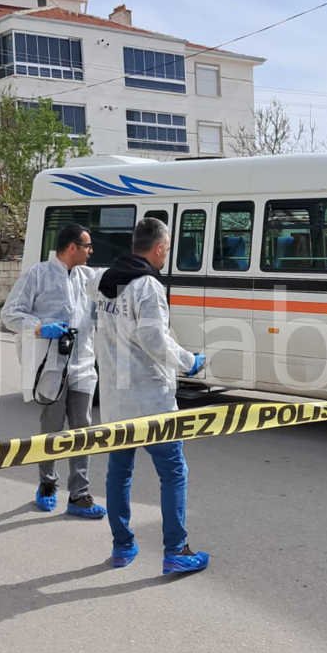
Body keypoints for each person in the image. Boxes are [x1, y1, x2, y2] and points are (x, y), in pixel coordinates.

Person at [96, 217, 208, 574]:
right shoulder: (147, 286)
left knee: (119, 472)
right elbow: (154, 339)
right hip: (150, 400)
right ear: (159, 248)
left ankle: (122, 546)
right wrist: (189, 362)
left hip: (115, 399)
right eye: (167, 248)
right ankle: (176, 550)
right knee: (174, 472)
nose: (166, 255)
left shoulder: (106, 281)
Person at [1, 224, 106, 519]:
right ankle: (47, 484)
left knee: (82, 429)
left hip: (82, 365)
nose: (91, 251)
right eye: (87, 246)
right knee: (52, 429)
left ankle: (80, 495)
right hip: (50, 367)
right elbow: (9, 314)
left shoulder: (86, 277)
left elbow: (110, 282)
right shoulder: (37, 275)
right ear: (72, 247)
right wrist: (39, 327)